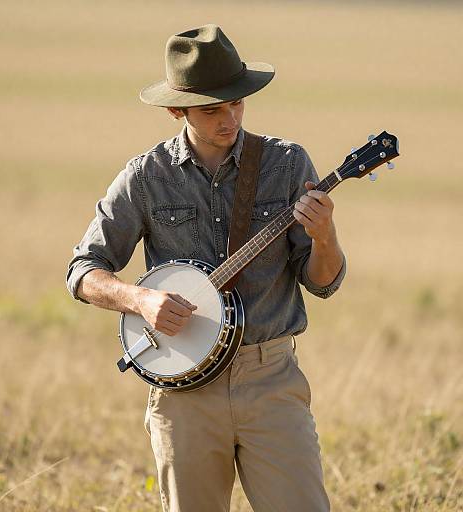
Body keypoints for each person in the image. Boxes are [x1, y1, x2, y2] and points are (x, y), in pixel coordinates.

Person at [67, 24, 345, 512]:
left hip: (271, 380)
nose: (230, 117)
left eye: (237, 102)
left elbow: (322, 283)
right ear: (177, 110)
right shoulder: (145, 177)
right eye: (212, 109)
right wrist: (141, 300)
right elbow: (83, 270)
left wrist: (325, 237)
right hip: (183, 395)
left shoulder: (286, 163)